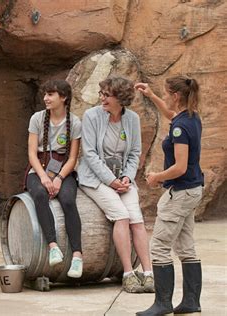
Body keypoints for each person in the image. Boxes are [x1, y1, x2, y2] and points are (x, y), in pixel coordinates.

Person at [77, 76, 153, 293]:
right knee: (122, 216)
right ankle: (128, 273)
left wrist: (127, 177)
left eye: (106, 95)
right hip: (96, 179)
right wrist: (111, 181)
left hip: (123, 180)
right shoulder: (91, 116)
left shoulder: (133, 119)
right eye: (101, 94)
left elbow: (135, 153)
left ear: (120, 98)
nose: (102, 98)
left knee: (137, 220)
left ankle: (147, 273)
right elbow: (89, 154)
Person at [135, 76, 203, 316]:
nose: (164, 96)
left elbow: (180, 167)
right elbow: (170, 114)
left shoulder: (180, 127)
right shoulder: (191, 118)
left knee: (160, 247)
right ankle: (191, 302)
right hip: (192, 190)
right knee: (186, 247)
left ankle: (162, 303)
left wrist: (157, 176)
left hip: (180, 192)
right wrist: (152, 95)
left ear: (176, 96)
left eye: (165, 93)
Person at [25, 79, 83, 278]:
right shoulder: (37, 118)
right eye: (45, 94)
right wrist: (43, 177)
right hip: (38, 170)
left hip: (63, 171)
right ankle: (53, 246)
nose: (45, 98)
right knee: (40, 194)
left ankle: (77, 255)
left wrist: (58, 178)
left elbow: (73, 157)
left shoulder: (74, 122)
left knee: (67, 199)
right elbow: (32, 153)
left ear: (63, 98)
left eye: (50, 95)